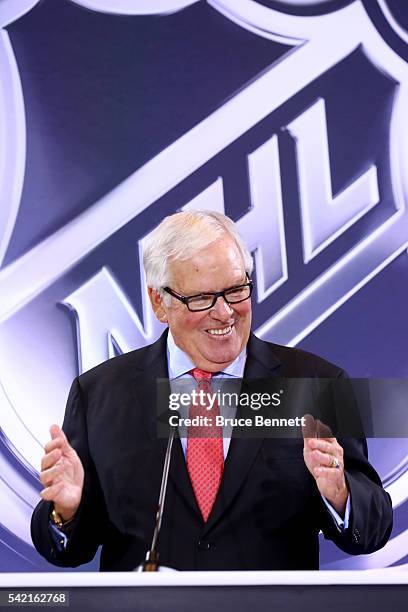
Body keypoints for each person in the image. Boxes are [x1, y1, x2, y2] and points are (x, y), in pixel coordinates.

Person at [31, 211, 392, 570]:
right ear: (159, 302)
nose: (224, 313)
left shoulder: (316, 385)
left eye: (236, 290)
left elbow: (373, 528)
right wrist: (67, 511)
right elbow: (66, 549)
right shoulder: (98, 394)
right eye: (202, 298)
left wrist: (340, 494)